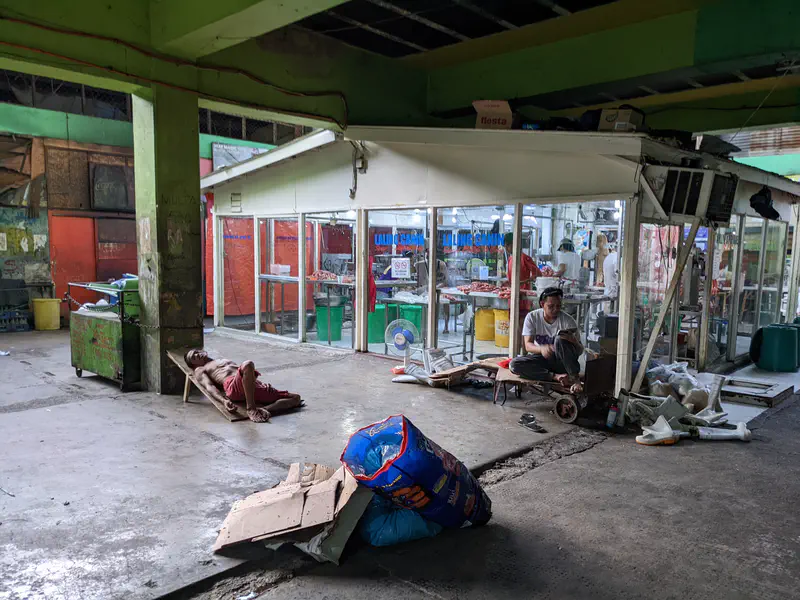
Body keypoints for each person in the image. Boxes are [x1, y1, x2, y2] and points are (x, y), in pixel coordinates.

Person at [185, 349, 303, 423]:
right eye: (193, 357)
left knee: (295, 398)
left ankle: (264, 410)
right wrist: (224, 401)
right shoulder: (200, 369)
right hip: (232, 386)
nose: (197, 355)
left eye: (196, 352)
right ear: (193, 364)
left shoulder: (218, 359)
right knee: (248, 364)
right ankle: (251, 408)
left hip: (252, 385)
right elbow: (209, 386)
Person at [509, 287, 583, 392]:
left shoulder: (568, 321)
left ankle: (575, 380)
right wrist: (542, 349)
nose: (555, 309)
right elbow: (528, 345)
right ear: (542, 304)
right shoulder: (532, 317)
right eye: (551, 306)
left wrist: (573, 341)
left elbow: (580, 351)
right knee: (514, 365)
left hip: (563, 363)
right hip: (543, 360)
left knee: (559, 340)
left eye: (558, 306)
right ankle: (555, 376)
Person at [504, 232, 541, 315]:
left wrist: (528, 280)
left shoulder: (525, 258)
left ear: (515, 244)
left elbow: (538, 274)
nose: (506, 248)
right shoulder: (510, 258)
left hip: (523, 299)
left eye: (508, 245)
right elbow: (511, 280)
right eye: (505, 245)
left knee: (521, 324)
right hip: (512, 297)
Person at [602, 248, 619, 313]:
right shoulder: (616, 257)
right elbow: (617, 272)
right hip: (613, 293)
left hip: (608, 291)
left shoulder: (608, 257)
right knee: (611, 317)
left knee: (606, 318)